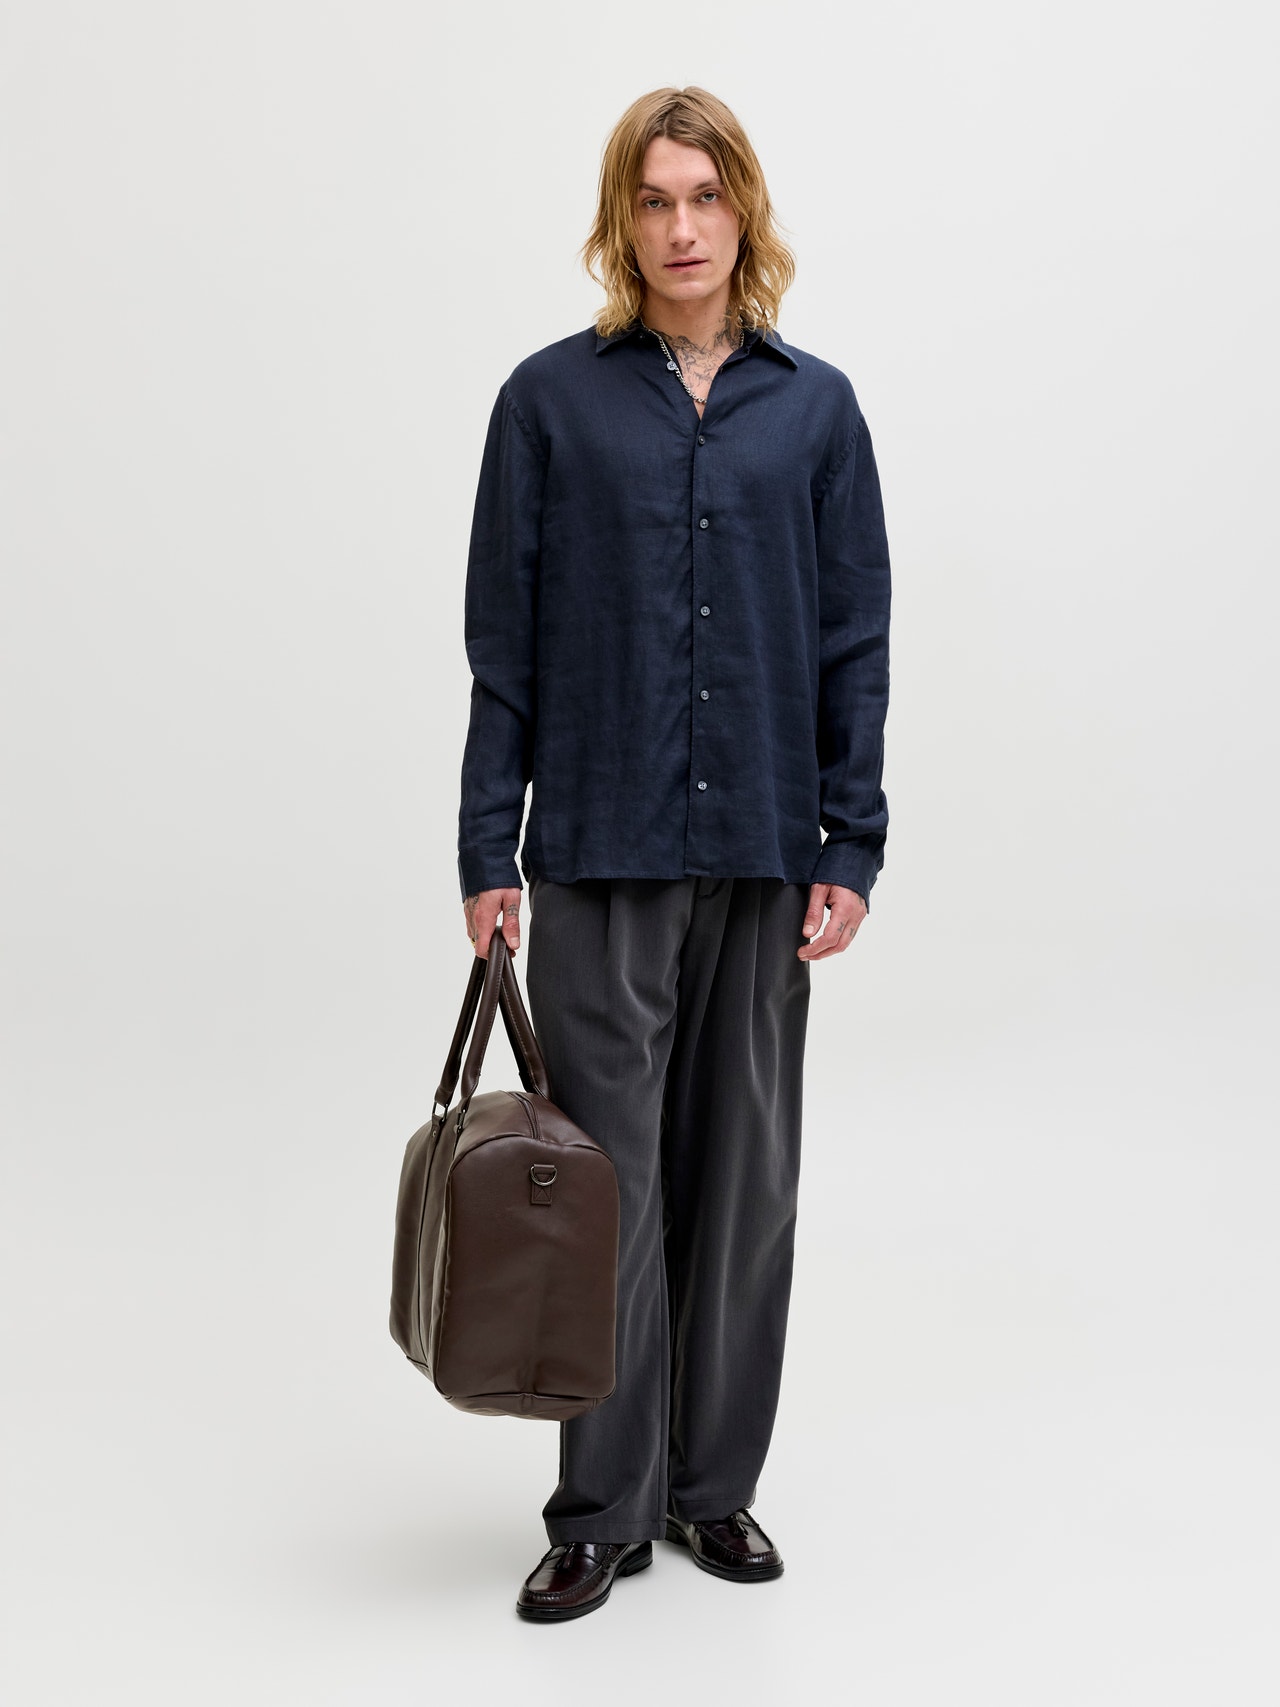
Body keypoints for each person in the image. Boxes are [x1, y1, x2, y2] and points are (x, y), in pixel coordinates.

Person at [455, 85, 893, 1622]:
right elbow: (502, 644)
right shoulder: (549, 403)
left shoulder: (817, 411)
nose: (682, 227)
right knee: (607, 1189)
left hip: (767, 847)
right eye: (654, 200)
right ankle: (602, 1508)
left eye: (705, 196)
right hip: (598, 841)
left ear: (743, 210)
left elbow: (854, 640)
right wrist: (487, 847)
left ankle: (713, 1491)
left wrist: (852, 838)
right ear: (621, 221)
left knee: (745, 1183)